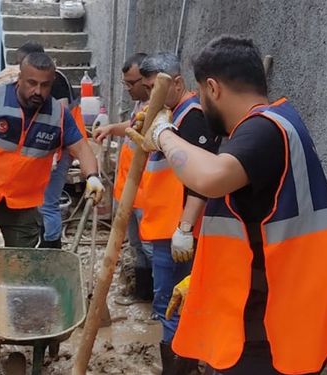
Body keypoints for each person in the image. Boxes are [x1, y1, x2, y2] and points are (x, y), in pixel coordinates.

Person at [138, 35, 327, 374]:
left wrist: (163, 135)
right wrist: (201, 280)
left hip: (269, 330)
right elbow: (248, 230)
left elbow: (211, 178)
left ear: (212, 88)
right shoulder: (274, 124)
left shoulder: (265, 130)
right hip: (275, 314)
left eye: (201, 92)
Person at [0, 52, 103, 274]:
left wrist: (92, 176)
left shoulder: (58, 116)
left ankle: (12, 299)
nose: (37, 91)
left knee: (21, 264)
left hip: (23, 205)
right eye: (31, 83)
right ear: (19, 78)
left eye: (45, 85)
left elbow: (81, 148)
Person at [136, 52, 219, 374]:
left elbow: (205, 176)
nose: (148, 94)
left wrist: (185, 228)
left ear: (177, 83)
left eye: (153, 87)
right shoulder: (171, 116)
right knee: (170, 303)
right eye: (145, 88)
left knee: (171, 305)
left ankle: (180, 368)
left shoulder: (193, 117)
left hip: (179, 232)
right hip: (165, 227)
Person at [0, 41, 85, 248]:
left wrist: (51, 155)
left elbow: (58, 120)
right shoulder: (42, 81)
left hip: (60, 147)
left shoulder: (54, 80)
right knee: (36, 202)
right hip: (45, 149)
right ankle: (40, 244)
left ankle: (51, 248)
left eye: (20, 63)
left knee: (48, 204)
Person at [93, 52, 153, 305]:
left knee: (152, 251)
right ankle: (143, 295)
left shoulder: (160, 110)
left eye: (132, 83)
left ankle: (158, 305)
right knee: (137, 247)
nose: (127, 88)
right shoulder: (140, 107)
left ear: (148, 80)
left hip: (149, 196)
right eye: (125, 83)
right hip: (130, 194)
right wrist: (110, 129)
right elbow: (129, 128)